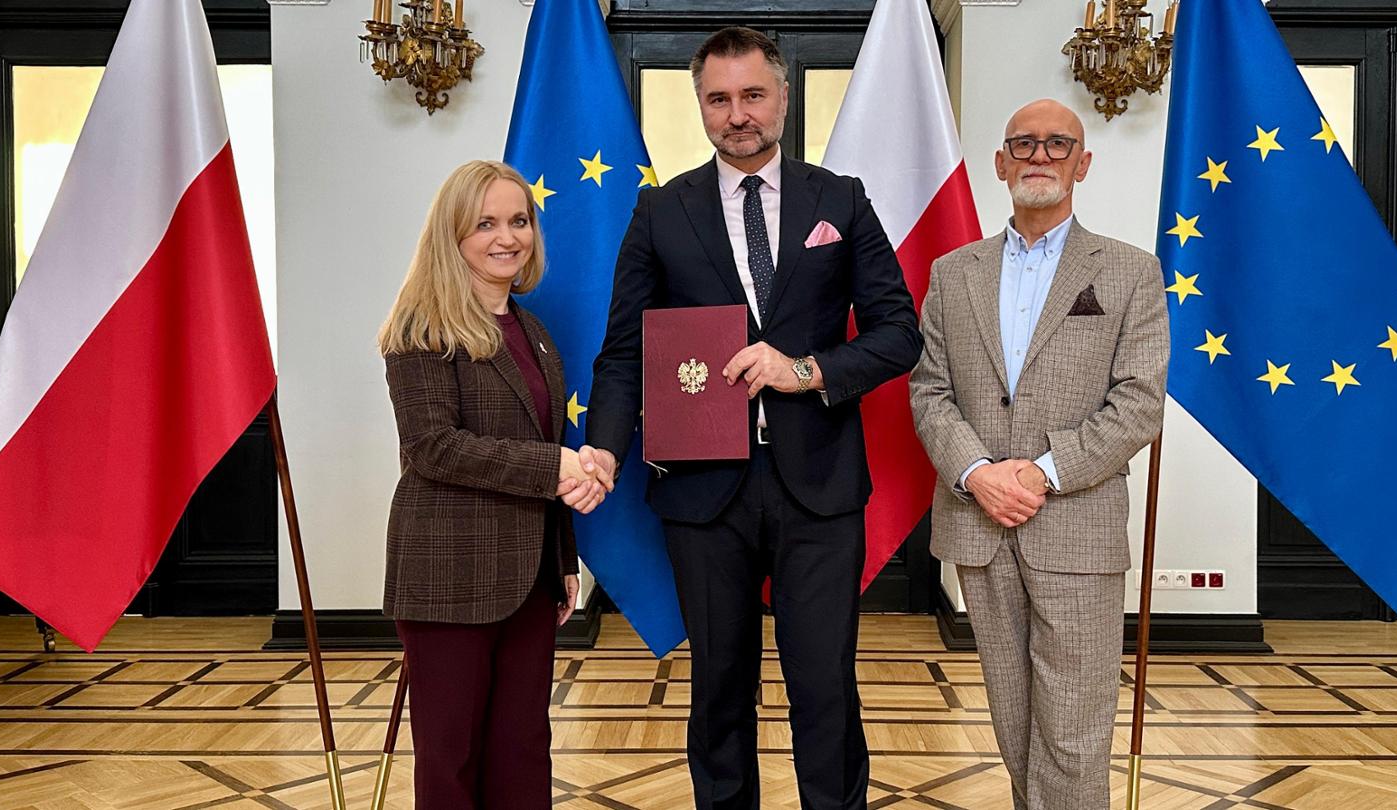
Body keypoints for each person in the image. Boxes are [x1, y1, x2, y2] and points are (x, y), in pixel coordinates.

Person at [581, 26, 922, 810]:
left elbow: (898, 333)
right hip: (703, 493)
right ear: (701, 105)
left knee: (825, 687)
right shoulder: (660, 212)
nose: (738, 114)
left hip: (821, 489)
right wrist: (602, 450)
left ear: (783, 97)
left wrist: (804, 371)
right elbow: (623, 353)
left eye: (752, 95)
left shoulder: (842, 200)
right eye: (718, 99)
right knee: (719, 690)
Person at [908, 98, 1168, 809]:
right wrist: (977, 473)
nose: (1040, 157)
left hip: (1076, 528)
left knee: (1076, 730)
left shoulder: (1129, 272)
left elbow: (1138, 404)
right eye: (1023, 144)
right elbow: (930, 390)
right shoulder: (951, 273)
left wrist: (1039, 474)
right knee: (1013, 717)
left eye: (1058, 145)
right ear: (1000, 163)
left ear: (1083, 163)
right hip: (981, 526)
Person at [377, 159, 609, 809]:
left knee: (523, 753)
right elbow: (432, 449)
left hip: (529, 578)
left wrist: (561, 560)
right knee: (453, 763)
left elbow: (542, 447)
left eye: (519, 220)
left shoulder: (532, 333)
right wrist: (556, 468)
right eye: (485, 224)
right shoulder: (421, 327)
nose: (507, 237)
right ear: (452, 236)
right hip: (449, 578)